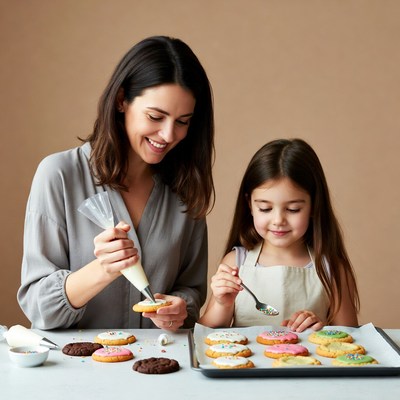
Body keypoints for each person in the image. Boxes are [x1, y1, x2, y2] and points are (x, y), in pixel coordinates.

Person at [18, 36, 215, 331]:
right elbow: (38, 306)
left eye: (183, 121)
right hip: (74, 370)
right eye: (155, 116)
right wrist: (103, 269)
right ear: (122, 100)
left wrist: (179, 309)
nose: (168, 134)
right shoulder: (58, 175)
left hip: (159, 369)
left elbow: (191, 291)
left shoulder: (185, 190)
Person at [199, 138, 360, 332]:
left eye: (293, 209)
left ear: (314, 206)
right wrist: (222, 304)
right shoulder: (236, 262)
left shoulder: (332, 269)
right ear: (250, 205)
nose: (278, 220)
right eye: (265, 208)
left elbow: (352, 337)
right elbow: (205, 333)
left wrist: (323, 329)